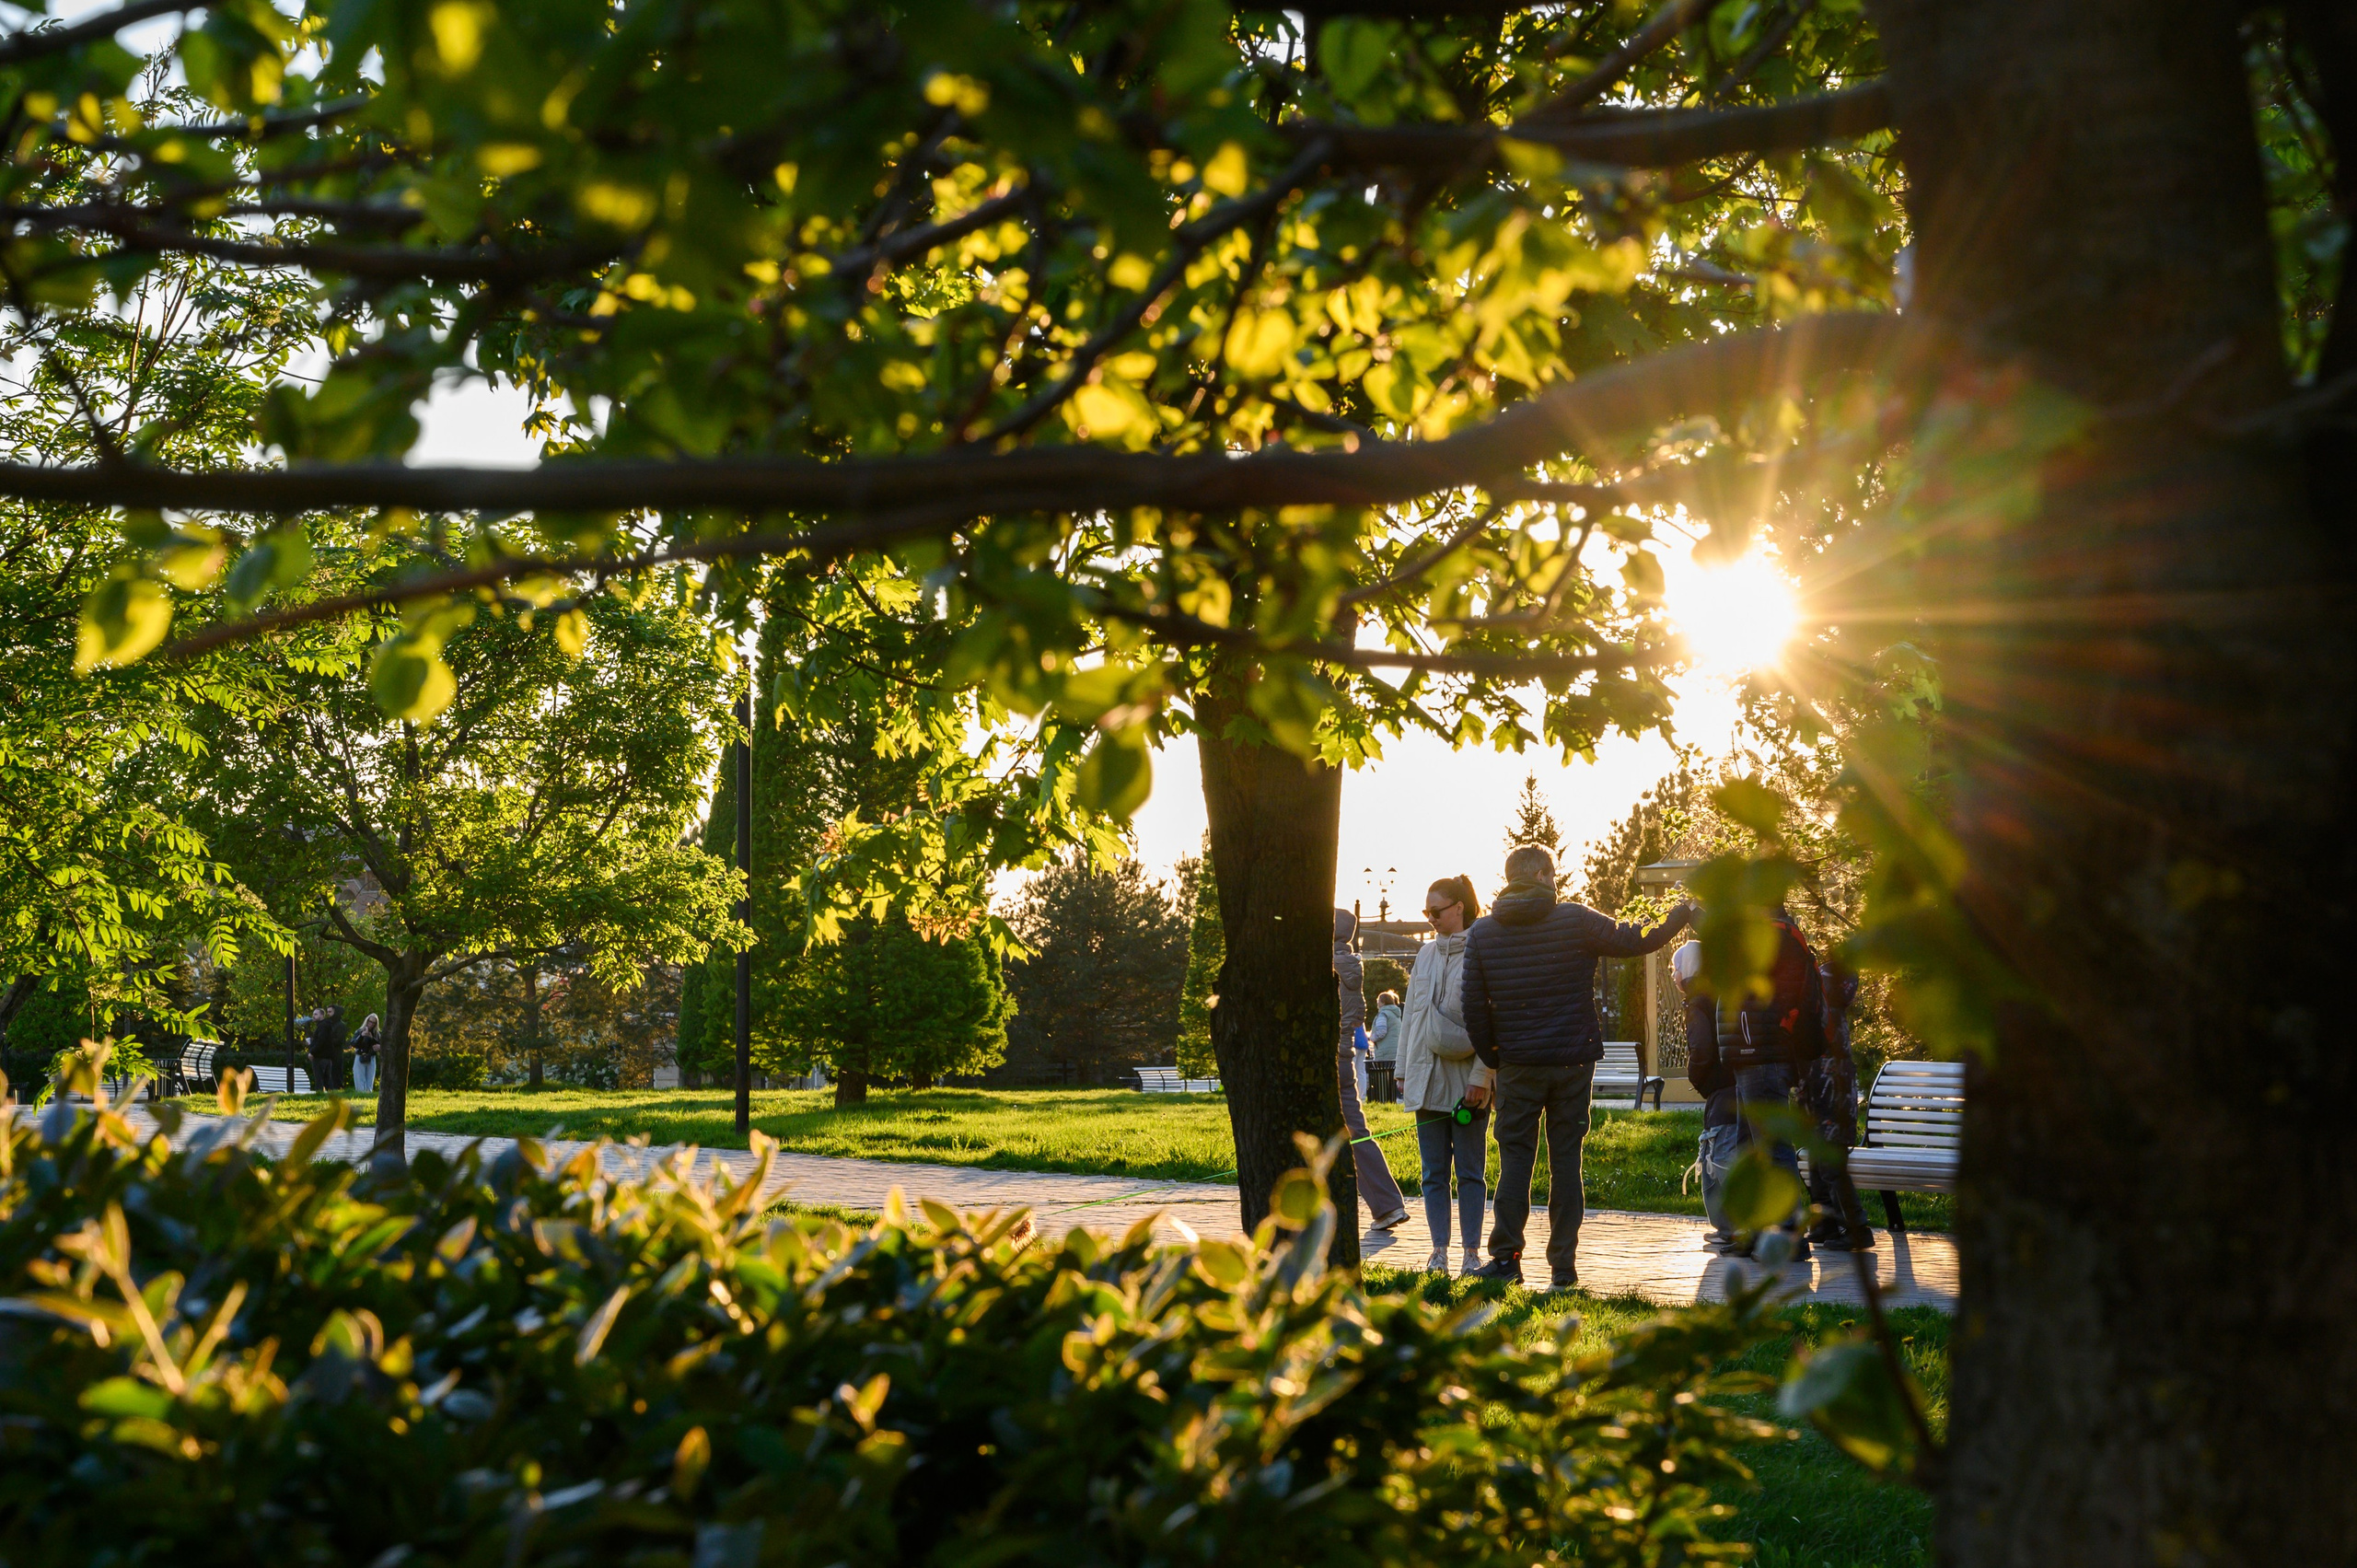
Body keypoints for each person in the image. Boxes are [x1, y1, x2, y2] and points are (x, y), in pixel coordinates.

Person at [1460, 845, 1691, 1285]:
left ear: (1510, 879)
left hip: (1518, 1064)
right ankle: (1562, 1267)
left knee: (1514, 1164)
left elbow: (1472, 1005)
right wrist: (1681, 913)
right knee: (1566, 1163)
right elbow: (1634, 939)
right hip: (1571, 1062)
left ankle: (1506, 1260)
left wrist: (1495, 1057)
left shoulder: (1484, 934)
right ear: (1545, 875)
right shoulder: (1573, 918)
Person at [1719, 901, 1827, 1262]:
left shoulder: (1773, 938)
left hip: (1761, 1055)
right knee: (1749, 1147)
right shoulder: (1780, 936)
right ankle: (1755, 1233)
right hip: (1754, 1056)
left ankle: (1790, 1237)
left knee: (1772, 1148)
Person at [1399, 877, 1493, 1272]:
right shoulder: (1424, 956)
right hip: (1426, 1082)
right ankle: (1438, 1250)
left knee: (1470, 1173)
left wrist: (1481, 1077)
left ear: (1460, 907)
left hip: (1466, 1087)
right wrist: (1404, 1071)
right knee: (1432, 1174)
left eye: (1436, 911)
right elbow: (1411, 1020)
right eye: (1427, 912)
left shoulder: (1483, 952)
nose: (1431, 918)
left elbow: (1493, 1023)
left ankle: (1471, 1253)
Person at [1335, 908, 1411, 1232]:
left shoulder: (1324, 965)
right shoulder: (1353, 966)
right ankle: (1387, 1205)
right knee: (1356, 1132)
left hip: (1321, 1057)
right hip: (1342, 1057)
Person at [1673, 940, 1746, 1254]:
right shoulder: (1723, 992)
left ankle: (1731, 1228)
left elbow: (1701, 1050)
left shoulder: (1697, 1002)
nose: (1673, 975)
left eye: (1675, 968)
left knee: (1720, 1156)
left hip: (1722, 1088)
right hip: (1744, 1083)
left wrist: (1698, 1079)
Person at [1803, 957, 1875, 1250]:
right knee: (1817, 1160)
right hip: (1823, 1083)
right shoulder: (1824, 1001)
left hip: (1830, 1086)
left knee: (1830, 1162)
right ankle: (1826, 1223)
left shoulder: (1822, 1001)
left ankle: (1857, 1227)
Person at [1368, 989, 1403, 1101]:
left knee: (1383, 1079)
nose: (1377, 1003)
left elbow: (1381, 1031)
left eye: (1378, 1000)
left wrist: (1371, 1038)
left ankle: (1384, 1101)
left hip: (1384, 1051)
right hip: (1395, 1050)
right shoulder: (1396, 1014)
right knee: (1392, 1078)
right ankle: (1393, 1101)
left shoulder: (1383, 1014)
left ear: (1383, 1002)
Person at [306, 1003, 347, 1093]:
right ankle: (332, 1095)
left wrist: (312, 1051)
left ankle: (327, 1094)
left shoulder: (325, 1026)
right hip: (328, 1055)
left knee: (324, 1079)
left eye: (316, 1014)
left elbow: (322, 1041)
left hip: (327, 1055)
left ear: (321, 1015)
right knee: (328, 1079)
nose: (313, 1016)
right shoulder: (327, 1025)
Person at [351, 1012, 382, 1094]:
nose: (371, 1024)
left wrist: (372, 1038)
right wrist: (362, 1035)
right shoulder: (359, 1031)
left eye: (373, 1023)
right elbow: (353, 1043)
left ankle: (368, 1094)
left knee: (370, 1080)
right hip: (360, 1055)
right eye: (370, 1021)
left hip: (371, 1057)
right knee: (359, 1079)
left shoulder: (377, 1033)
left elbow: (380, 1044)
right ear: (367, 1021)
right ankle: (361, 1095)